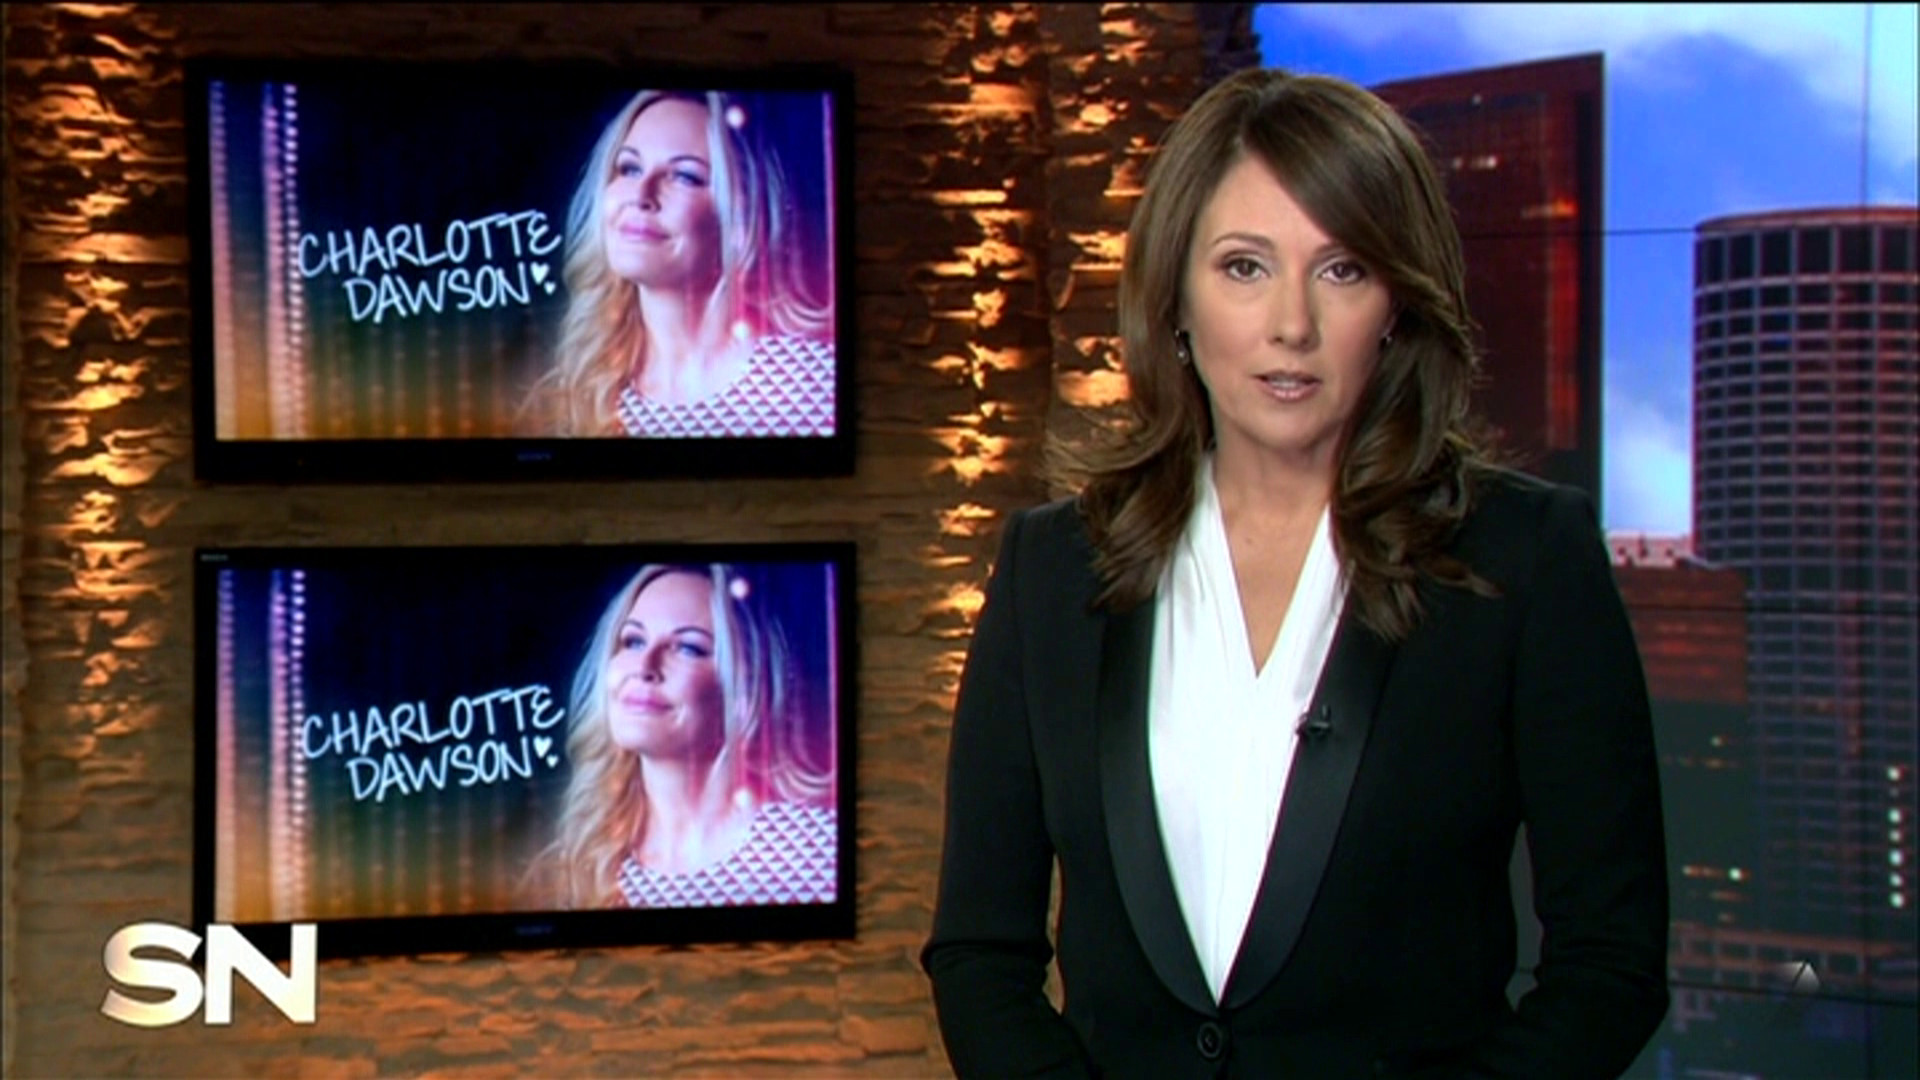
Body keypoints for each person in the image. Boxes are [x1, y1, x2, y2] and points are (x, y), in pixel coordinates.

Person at [921, 67, 1669, 1079]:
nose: (1292, 326)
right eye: (1244, 266)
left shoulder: (1522, 557)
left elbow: (1611, 964)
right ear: (1176, 299)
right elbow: (980, 954)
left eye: (1342, 268)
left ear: (1396, 304)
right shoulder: (1051, 570)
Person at [523, 89, 836, 438]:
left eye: (684, 176)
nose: (640, 195)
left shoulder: (819, 385)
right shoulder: (581, 394)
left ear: (740, 215)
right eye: (629, 168)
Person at [532, 563, 837, 909]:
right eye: (633, 641)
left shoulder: (821, 850)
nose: (644, 666)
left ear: (744, 687)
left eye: (688, 648)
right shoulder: (580, 867)